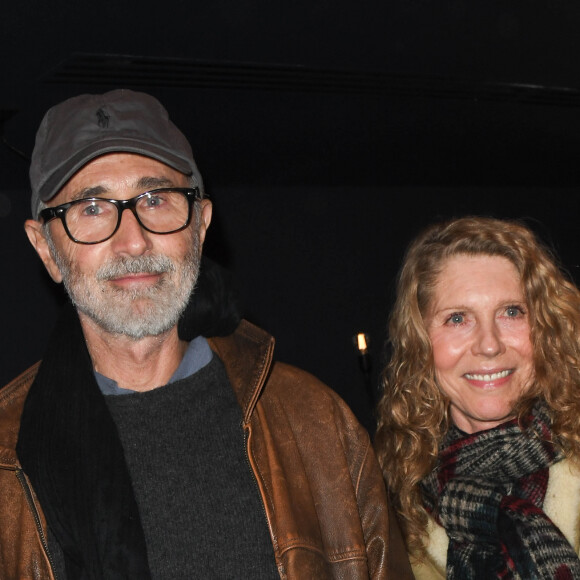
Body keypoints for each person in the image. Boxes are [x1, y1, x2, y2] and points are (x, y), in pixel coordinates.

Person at [0, 89, 412, 579]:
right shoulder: (7, 457)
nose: (133, 240)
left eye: (155, 199)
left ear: (200, 226)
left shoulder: (316, 422)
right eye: (91, 208)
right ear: (46, 249)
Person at [374, 215, 580, 579]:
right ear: (420, 342)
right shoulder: (389, 504)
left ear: (546, 328)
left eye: (512, 312)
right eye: (457, 319)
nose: (489, 344)